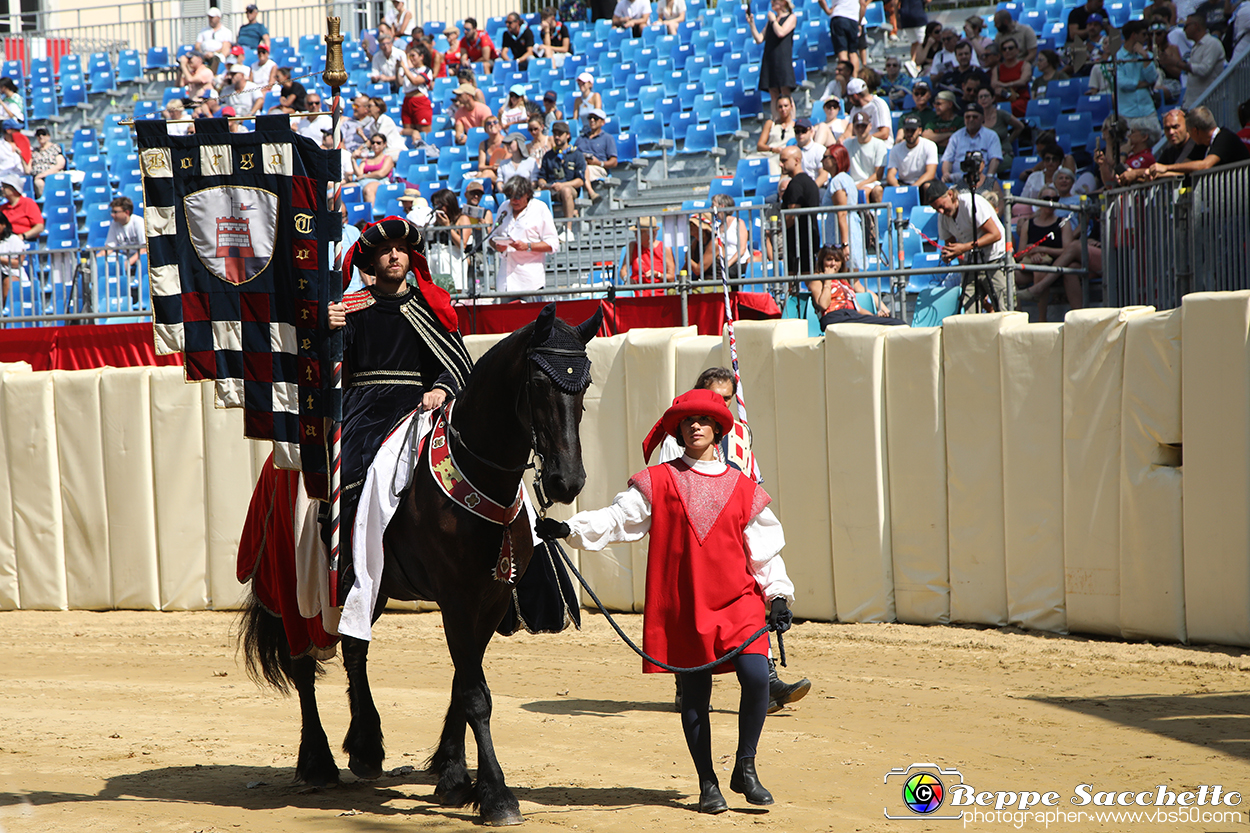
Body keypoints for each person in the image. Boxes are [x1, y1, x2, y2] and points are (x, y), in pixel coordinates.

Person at [539, 388, 794, 815]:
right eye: (687, 421)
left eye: (703, 420)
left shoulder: (744, 487)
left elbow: (764, 548)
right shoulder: (657, 481)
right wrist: (570, 530)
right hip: (686, 606)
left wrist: (779, 594)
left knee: (755, 677)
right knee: (694, 695)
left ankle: (745, 767)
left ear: (717, 429)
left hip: (739, 602)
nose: (695, 426)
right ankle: (708, 783)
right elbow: (618, 519)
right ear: (678, 430)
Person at [325, 217, 474, 594]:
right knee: (351, 467)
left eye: (401, 250)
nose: (394, 256)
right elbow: (331, 369)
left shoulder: (430, 307)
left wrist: (441, 387)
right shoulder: (351, 308)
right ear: (371, 262)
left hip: (422, 405)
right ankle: (348, 566)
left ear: (411, 257)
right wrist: (327, 331)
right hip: (366, 407)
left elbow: (457, 364)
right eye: (385, 251)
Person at [920, 179, 1007, 312]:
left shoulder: (971, 203)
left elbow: (995, 235)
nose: (941, 211)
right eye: (936, 209)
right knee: (968, 312)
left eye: (942, 206)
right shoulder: (942, 217)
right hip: (971, 263)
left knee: (1003, 309)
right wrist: (949, 254)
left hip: (994, 259)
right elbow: (951, 245)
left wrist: (964, 248)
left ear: (950, 194)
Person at [488, 175, 559, 294]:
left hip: (530, 282)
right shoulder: (504, 207)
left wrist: (528, 246)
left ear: (527, 194)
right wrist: (497, 245)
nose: (514, 200)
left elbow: (553, 244)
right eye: (510, 196)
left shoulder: (540, 208)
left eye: (517, 196)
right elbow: (492, 237)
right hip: (505, 281)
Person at [1013, 186, 1074, 321]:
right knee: (1010, 275)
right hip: (1030, 266)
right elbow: (1019, 255)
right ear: (1039, 201)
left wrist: (1042, 250)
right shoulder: (1028, 224)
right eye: (1047, 199)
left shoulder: (1063, 223)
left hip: (1053, 266)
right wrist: (1031, 253)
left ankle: (1041, 319)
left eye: (1055, 199)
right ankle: (1017, 315)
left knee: (1040, 270)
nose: (1051, 202)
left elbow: (1068, 251)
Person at [810, 245, 906, 326]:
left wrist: (874, 316)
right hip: (834, 316)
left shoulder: (844, 282)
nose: (833, 263)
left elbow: (858, 309)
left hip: (852, 315)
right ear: (822, 261)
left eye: (837, 260)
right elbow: (823, 305)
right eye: (829, 259)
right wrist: (828, 280)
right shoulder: (818, 279)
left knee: (897, 323)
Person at [1150, 105, 1250, 175]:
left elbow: (1205, 165)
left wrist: (1166, 168)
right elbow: (1183, 167)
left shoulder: (1225, 138)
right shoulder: (1202, 144)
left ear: (1195, 131)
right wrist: (1158, 173)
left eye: (1188, 131)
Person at [749, 0, 797, 121]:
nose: (772, 3)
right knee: (773, 93)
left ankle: (791, 121)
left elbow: (781, 32)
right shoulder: (772, 20)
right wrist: (751, 24)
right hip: (770, 59)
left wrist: (774, 21)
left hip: (782, 59)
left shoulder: (791, 17)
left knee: (785, 92)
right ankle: (777, 121)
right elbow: (760, 38)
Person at [820, 143, 865, 270]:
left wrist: (844, 244)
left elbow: (842, 213)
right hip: (847, 230)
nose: (822, 160)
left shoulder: (838, 181)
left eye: (825, 157)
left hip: (842, 235)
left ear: (835, 159)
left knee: (849, 279)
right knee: (851, 282)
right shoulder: (846, 178)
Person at [688, 194, 752, 283]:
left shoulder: (738, 223)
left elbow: (742, 249)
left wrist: (728, 263)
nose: (710, 208)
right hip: (723, 263)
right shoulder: (717, 226)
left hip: (738, 262)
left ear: (722, 206)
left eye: (713, 205)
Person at [779, 146, 821, 276]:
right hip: (807, 239)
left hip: (799, 242)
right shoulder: (809, 181)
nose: (781, 164)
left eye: (784, 160)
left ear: (797, 160)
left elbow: (792, 215)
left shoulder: (796, 184)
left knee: (798, 281)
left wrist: (780, 229)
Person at [941, 102, 1003, 188]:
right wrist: (946, 174)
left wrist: (988, 179)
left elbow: (995, 160)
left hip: (982, 180)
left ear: (982, 118)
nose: (971, 119)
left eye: (975, 117)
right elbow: (947, 160)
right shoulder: (956, 136)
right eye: (967, 117)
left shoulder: (991, 136)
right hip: (958, 180)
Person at [426, 189, 473, 294]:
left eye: (440, 205)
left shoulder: (462, 218)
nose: (438, 208)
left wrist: (447, 227)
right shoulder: (436, 221)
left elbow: (462, 245)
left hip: (453, 261)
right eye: (435, 205)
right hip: (436, 260)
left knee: (455, 293)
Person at [538, 121, 586, 219]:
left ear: (568, 135)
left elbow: (580, 181)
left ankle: (568, 229)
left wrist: (562, 185)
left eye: (560, 134)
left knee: (566, 191)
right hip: (551, 189)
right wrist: (543, 184)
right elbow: (542, 177)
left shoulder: (576, 154)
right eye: (555, 134)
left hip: (569, 188)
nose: (556, 137)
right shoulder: (548, 156)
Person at [1180, 14, 1226, 108]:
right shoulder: (1196, 46)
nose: (1184, 30)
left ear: (1196, 25)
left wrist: (1177, 63)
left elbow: (1204, 70)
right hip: (1192, 103)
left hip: (1209, 104)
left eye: (1186, 26)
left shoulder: (1212, 43)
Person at [978, 87, 1023, 175]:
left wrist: (1008, 142)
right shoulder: (976, 118)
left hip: (1003, 153)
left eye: (986, 96)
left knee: (990, 167)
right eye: (980, 97)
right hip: (983, 155)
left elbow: (1020, 126)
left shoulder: (1001, 114)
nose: (983, 99)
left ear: (993, 98)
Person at [575, 109, 617, 202]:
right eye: (590, 118)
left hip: (598, 168)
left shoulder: (607, 138)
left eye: (595, 118)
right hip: (582, 167)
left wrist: (598, 163)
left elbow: (614, 161)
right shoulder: (581, 138)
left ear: (602, 122)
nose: (592, 120)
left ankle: (590, 192)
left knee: (583, 167)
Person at [844, 112, 886, 203]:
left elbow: (878, 175)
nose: (860, 129)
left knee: (868, 191)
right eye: (857, 126)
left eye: (863, 126)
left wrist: (860, 185)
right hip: (853, 183)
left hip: (872, 183)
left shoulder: (879, 144)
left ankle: (871, 217)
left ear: (870, 126)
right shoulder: (847, 144)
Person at [886, 115, 939, 188]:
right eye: (907, 130)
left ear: (920, 130)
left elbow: (930, 173)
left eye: (913, 130)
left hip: (923, 182)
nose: (909, 134)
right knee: (878, 189)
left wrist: (913, 188)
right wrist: (898, 187)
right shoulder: (896, 149)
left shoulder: (930, 145)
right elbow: (890, 175)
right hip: (903, 183)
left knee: (928, 186)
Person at [819, 0, 866, 76]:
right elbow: (863, 5)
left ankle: (845, 79)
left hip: (839, 17)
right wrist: (859, 23)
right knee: (853, 52)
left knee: (842, 51)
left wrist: (828, 11)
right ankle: (855, 78)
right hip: (853, 19)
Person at [842, 77, 893, 148]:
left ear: (855, 96)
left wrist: (863, 139)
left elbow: (884, 134)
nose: (849, 100)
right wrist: (842, 138)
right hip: (861, 145)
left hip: (881, 145)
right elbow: (849, 130)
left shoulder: (878, 104)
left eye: (849, 97)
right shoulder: (855, 108)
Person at [991, 37, 1032, 118]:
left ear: (1017, 50)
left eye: (1010, 48)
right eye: (1004, 49)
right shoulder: (997, 68)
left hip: (1020, 98)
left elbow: (1023, 81)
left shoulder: (1025, 65)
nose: (1007, 51)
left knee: (1010, 108)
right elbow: (993, 84)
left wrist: (1005, 84)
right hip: (1003, 98)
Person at [103, 196, 146, 272]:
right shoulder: (114, 224)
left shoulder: (138, 222)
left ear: (127, 212)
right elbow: (109, 247)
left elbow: (144, 248)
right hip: (126, 256)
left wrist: (129, 262)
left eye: (115, 212)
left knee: (142, 261)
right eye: (112, 212)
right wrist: (95, 259)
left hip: (141, 256)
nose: (112, 215)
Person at [0, 176, 44, 244]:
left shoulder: (28, 203)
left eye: (5, 187)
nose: (2, 189)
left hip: (25, 241)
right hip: (6, 242)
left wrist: (22, 236)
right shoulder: (2, 208)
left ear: (14, 189)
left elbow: (39, 227)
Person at [756, 93, 797, 165]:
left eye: (786, 106)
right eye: (780, 107)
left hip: (785, 155)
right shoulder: (770, 124)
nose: (783, 109)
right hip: (769, 152)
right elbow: (760, 145)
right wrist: (773, 149)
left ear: (791, 106)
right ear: (777, 109)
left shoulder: (796, 125)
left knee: (773, 162)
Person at [351, 135, 395, 202]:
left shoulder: (387, 158)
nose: (375, 145)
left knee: (368, 190)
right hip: (363, 181)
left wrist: (364, 176)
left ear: (384, 144)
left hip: (380, 181)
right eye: (373, 142)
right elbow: (359, 174)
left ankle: (369, 211)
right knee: (343, 189)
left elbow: (381, 174)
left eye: (378, 143)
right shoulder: (366, 159)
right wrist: (353, 160)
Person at [27, 128, 64, 199]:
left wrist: (43, 174)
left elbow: (60, 165)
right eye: (38, 135)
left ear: (48, 136)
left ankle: (51, 201)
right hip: (38, 178)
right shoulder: (34, 151)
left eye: (43, 134)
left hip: (52, 174)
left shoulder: (55, 148)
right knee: (38, 182)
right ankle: (45, 201)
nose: (41, 136)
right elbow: (28, 169)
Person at [0, 211, 24, 307]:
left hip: (10, 273)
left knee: (8, 283)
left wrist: (1, 259)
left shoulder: (13, 239)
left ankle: (6, 317)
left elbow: (18, 263)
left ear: (4, 224)